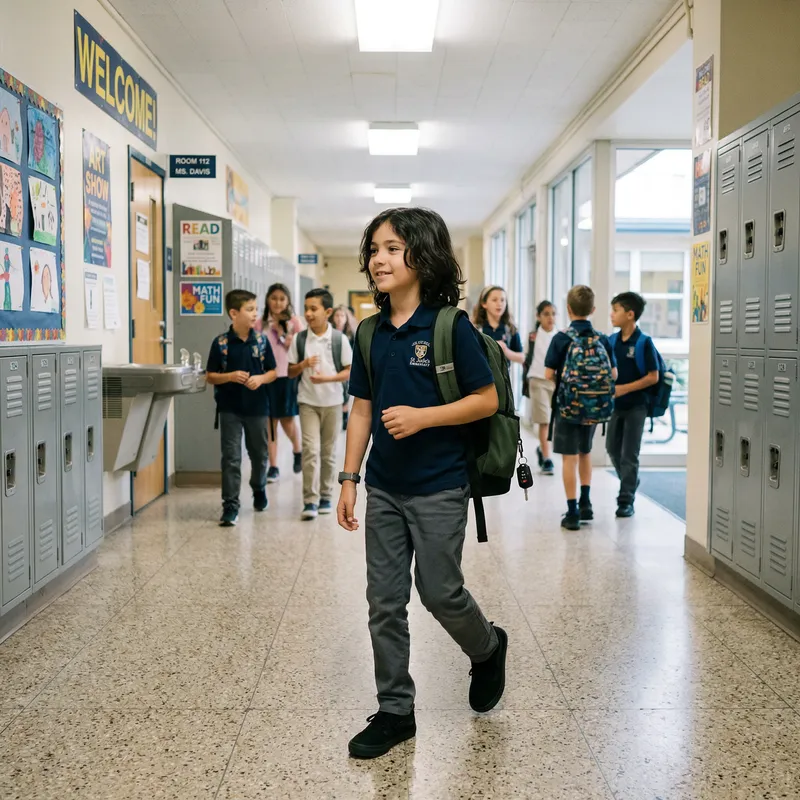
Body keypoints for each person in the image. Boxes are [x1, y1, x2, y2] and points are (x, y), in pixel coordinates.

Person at [338, 207, 507, 760]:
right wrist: (348, 479)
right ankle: (395, 712)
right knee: (383, 601)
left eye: (392, 248)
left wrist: (423, 417)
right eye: (374, 249)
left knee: (439, 591)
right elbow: (361, 410)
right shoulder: (368, 332)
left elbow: (487, 400)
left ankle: (486, 647)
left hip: (439, 485)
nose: (379, 259)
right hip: (384, 487)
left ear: (422, 255)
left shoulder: (448, 326)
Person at [544, 285, 616, 531]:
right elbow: (613, 373)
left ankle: (572, 511)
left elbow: (548, 373)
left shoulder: (561, 338)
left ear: (568, 309)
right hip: (594, 408)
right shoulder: (603, 339)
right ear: (593, 310)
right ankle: (587, 503)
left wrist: (567, 386)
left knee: (569, 458)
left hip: (567, 408)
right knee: (585, 453)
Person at [206, 289, 278, 527]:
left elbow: (273, 372)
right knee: (231, 458)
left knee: (259, 454)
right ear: (234, 313)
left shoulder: (261, 341)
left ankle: (258, 489)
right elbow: (211, 376)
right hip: (230, 410)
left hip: (258, 409)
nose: (255, 314)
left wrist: (260, 379)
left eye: (256, 309)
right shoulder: (221, 344)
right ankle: (230, 505)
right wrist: (230, 376)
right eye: (250, 310)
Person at [289, 289, 352, 520]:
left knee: (327, 452)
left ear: (327, 312)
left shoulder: (339, 339)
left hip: (333, 403)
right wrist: (303, 364)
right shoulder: (300, 339)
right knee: (310, 451)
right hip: (308, 402)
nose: (308, 313)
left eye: (313, 309)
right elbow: (289, 371)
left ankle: (326, 495)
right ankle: (310, 500)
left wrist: (328, 379)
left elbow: (349, 371)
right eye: (306, 308)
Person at [607, 292, 659, 518]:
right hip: (616, 407)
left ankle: (625, 500)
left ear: (630, 314)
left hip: (637, 406)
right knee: (611, 448)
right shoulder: (611, 341)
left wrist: (624, 389)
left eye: (616, 310)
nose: (612, 314)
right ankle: (631, 480)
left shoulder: (644, 342)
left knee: (629, 454)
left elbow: (653, 376)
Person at [259, 283, 304, 482]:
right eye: (274, 298)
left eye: (282, 299)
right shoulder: (260, 323)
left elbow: (300, 347)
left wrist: (282, 332)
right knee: (270, 422)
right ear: (268, 299)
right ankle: (274, 466)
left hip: (286, 376)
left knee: (287, 420)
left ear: (287, 302)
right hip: (266, 376)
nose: (277, 302)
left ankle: (297, 450)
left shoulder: (294, 322)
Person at [523, 300, 557, 475]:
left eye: (553, 313)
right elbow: (525, 357)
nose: (550, 318)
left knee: (552, 422)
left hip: (555, 382)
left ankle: (542, 450)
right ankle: (547, 458)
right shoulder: (533, 337)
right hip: (537, 380)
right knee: (544, 420)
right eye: (546, 314)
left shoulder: (560, 337)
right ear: (538, 316)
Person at [472, 285, 525, 366]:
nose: (499, 304)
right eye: (494, 300)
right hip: (481, 376)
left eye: (502, 300)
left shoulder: (510, 329)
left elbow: (522, 357)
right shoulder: (475, 329)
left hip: (504, 377)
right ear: (484, 304)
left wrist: (505, 350)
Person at [332, 304, 357, 431]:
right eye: (336, 315)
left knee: (346, 391)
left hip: (348, 367)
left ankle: (344, 415)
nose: (339, 318)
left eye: (342, 315)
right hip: (333, 366)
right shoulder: (330, 331)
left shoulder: (351, 333)